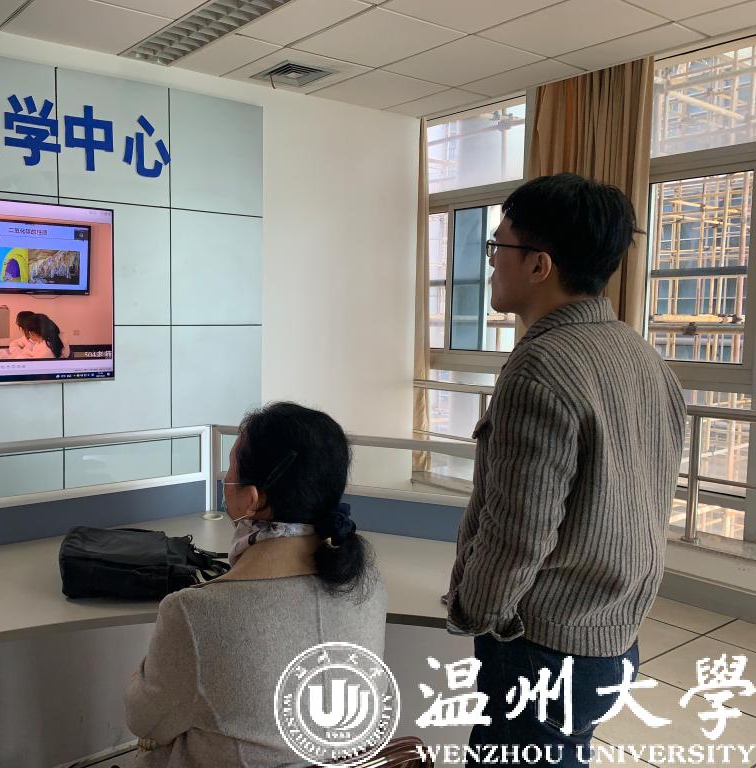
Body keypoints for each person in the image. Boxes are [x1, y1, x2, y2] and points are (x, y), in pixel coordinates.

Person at [444, 173, 686, 766]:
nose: (492, 261)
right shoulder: (643, 355)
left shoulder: (540, 367)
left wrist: (475, 611)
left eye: (499, 246)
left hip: (541, 647)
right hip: (613, 640)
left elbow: (518, 532)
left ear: (539, 265)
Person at [124, 402, 387, 768]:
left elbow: (145, 721)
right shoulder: (366, 582)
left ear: (252, 499)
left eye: (231, 466)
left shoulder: (195, 612)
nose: (224, 478)